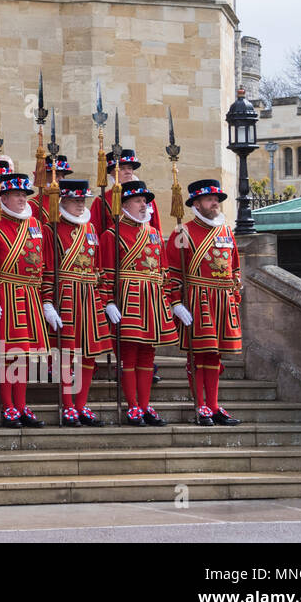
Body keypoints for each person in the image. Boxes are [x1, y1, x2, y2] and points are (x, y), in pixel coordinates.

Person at [0, 173, 61, 429]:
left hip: (31, 295)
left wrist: (47, 300)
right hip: (6, 295)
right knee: (8, 354)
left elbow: (45, 266)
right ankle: (8, 405)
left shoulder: (36, 224)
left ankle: (21, 405)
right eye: (17, 195)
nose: (23, 199)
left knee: (24, 356)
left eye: (25, 195)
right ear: (3, 198)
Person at [99, 180, 179, 427]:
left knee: (148, 354)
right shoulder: (111, 235)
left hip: (153, 299)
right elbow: (105, 272)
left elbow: (164, 270)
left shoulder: (154, 233)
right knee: (129, 355)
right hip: (128, 298)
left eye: (145, 202)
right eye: (138, 201)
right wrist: (108, 301)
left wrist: (171, 300)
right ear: (124, 205)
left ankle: (144, 406)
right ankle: (132, 405)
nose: (144, 206)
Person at [165, 180, 243, 426]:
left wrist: (235, 295)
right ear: (196, 204)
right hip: (198, 300)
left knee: (215, 356)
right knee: (199, 355)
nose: (215, 203)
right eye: (210, 199)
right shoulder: (182, 232)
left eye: (217, 199)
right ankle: (201, 406)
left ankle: (214, 405)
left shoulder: (226, 231)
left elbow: (235, 267)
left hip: (223, 300)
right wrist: (177, 302)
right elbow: (172, 273)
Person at [42, 179, 114, 427]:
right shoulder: (51, 229)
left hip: (89, 295)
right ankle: (68, 404)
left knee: (89, 354)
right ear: (63, 201)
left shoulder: (92, 229)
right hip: (66, 295)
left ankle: (81, 404)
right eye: (75, 201)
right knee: (66, 354)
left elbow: (100, 267)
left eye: (83, 201)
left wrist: (105, 300)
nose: (80, 205)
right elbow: (48, 268)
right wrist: (48, 301)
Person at [91, 150, 161, 235]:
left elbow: (156, 228)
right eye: (122, 168)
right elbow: (95, 233)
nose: (128, 171)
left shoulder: (145, 197)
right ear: (112, 172)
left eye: (130, 168)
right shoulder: (102, 201)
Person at [29, 153, 74, 223]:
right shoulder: (33, 204)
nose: (61, 179)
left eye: (63, 176)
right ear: (45, 176)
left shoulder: (68, 201)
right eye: (56, 175)